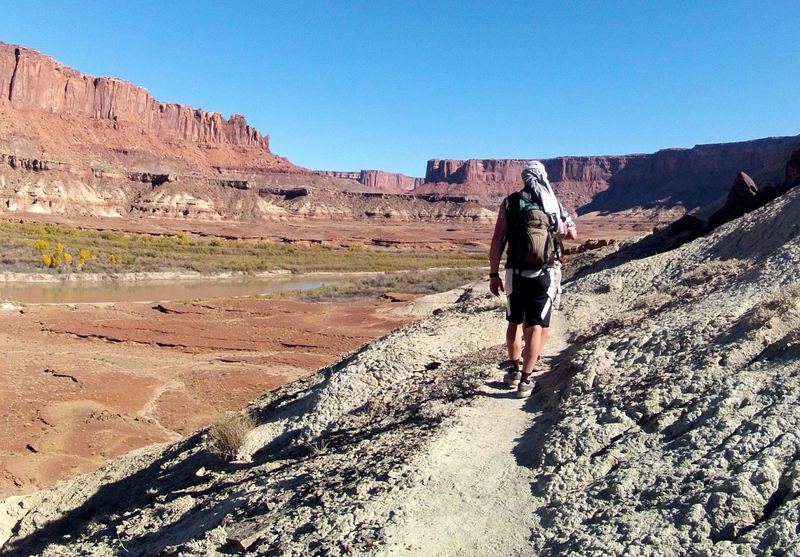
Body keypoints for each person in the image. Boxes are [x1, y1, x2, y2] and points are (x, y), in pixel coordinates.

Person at [488, 161, 577, 397]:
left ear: (524, 178)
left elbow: (498, 238)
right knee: (537, 324)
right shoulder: (552, 203)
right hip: (544, 273)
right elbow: (571, 234)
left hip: (514, 274)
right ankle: (526, 380)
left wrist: (493, 273)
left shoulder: (511, 202)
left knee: (515, 321)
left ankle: (514, 370)